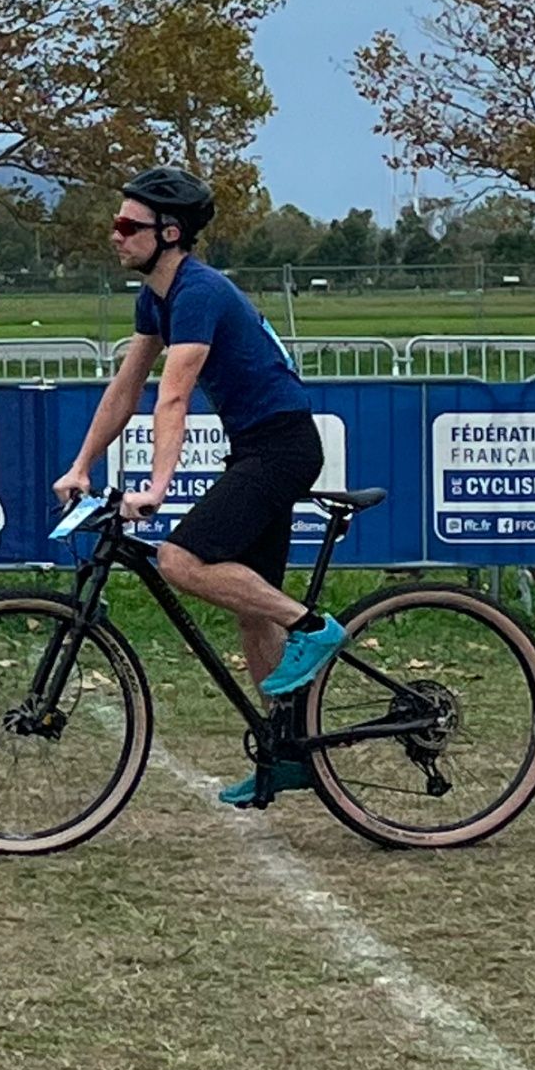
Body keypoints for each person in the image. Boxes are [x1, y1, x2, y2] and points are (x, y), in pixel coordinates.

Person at [52, 167, 347, 808]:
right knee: (249, 607)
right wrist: (81, 465)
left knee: (181, 558)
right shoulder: (155, 298)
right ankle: (288, 753)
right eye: (116, 222)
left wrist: (158, 485)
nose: (115, 234)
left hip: (284, 446)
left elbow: (175, 393)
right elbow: (126, 389)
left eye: (128, 225)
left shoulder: (199, 292)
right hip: (258, 447)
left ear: (170, 232)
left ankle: (315, 627)